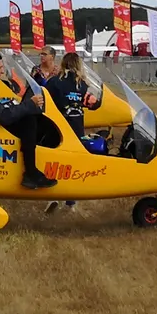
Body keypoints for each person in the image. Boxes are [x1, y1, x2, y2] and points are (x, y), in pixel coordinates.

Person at [0, 51, 58, 189]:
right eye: (0, 68)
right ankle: (31, 173)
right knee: (30, 120)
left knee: (32, 118)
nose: (2, 72)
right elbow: (4, 117)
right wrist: (29, 105)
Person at [43, 52, 99, 213]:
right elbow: (93, 104)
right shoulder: (83, 84)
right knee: (73, 164)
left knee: (53, 162)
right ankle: (71, 203)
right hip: (77, 128)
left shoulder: (54, 82)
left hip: (57, 128)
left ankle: (53, 195)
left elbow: (45, 100)